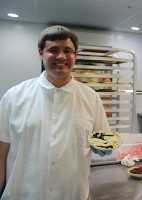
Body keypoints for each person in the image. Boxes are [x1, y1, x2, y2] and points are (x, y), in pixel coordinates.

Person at [0, 25, 111, 200]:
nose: (61, 56)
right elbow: (1, 154)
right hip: (23, 195)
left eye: (68, 50)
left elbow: (103, 139)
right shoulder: (14, 97)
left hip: (73, 195)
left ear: (75, 55)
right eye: (53, 50)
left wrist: (103, 147)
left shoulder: (91, 98)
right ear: (40, 53)